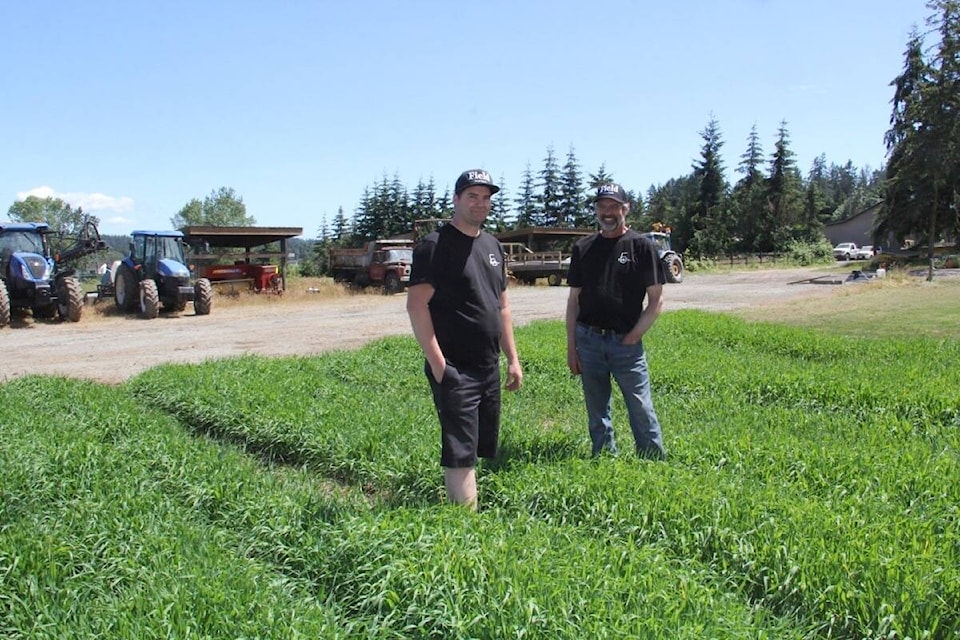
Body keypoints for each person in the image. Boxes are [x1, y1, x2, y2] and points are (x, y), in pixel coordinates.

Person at [406, 168, 523, 509]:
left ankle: (467, 515)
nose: (480, 203)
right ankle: (466, 530)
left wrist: (512, 358)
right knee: (460, 452)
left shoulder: (492, 246)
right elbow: (416, 307)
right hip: (455, 368)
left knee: (475, 447)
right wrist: (440, 367)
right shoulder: (434, 247)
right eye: (472, 196)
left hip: (488, 366)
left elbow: (502, 307)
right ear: (456, 199)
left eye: (486, 198)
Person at [565, 182, 667, 459]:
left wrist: (633, 337)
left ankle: (653, 460)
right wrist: (572, 345)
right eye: (602, 206)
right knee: (597, 408)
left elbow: (656, 300)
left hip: (626, 344)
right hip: (588, 341)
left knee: (640, 406)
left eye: (613, 206)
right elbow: (574, 301)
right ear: (596, 210)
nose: (607, 212)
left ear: (626, 209)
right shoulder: (583, 248)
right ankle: (604, 457)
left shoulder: (641, 247)